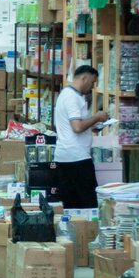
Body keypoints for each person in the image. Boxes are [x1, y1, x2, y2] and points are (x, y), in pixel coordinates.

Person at [53, 64, 107, 210]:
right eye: (92, 82)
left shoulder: (67, 94)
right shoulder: (72, 98)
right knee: (88, 203)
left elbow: (76, 126)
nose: (92, 87)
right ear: (84, 78)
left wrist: (91, 127)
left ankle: (78, 230)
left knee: (72, 204)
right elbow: (77, 127)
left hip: (66, 156)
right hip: (76, 158)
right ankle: (87, 230)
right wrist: (96, 117)